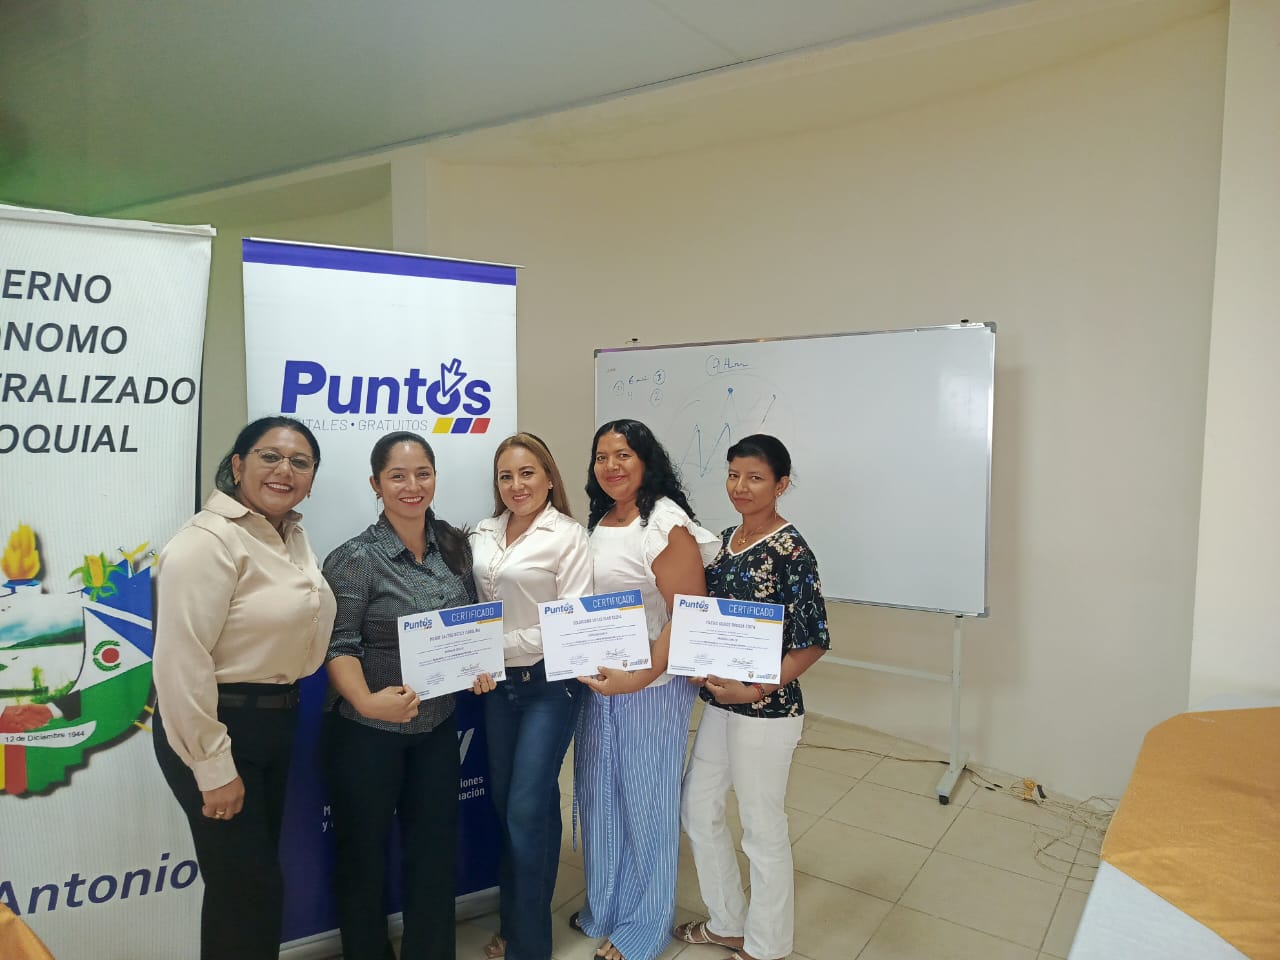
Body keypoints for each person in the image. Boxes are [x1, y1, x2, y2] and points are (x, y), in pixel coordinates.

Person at [153, 415, 336, 960]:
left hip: (273, 722)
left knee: (244, 889)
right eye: (269, 457)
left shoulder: (290, 536)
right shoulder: (206, 542)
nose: (285, 470)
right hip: (218, 726)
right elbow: (181, 662)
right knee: (248, 891)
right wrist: (212, 766)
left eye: (300, 462)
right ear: (237, 465)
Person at [321, 431, 494, 960]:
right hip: (367, 732)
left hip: (436, 727)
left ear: (435, 477)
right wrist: (367, 700)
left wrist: (477, 667)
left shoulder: (454, 547)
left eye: (422, 473)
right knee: (363, 857)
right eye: (397, 476)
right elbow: (338, 644)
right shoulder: (354, 559)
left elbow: (467, 626)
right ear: (376, 484)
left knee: (434, 853)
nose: (411, 486)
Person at [674, 435, 830, 960]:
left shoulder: (791, 551)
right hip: (721, 703)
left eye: (755, 478)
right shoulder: (725, 541)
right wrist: (696, 660)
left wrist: (755, 687)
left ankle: (767, 946)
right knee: (699, 808)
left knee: (762, 829)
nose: (740, 486)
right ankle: (727, 922)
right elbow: (708, 618)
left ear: (781, 485)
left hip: (768, 711)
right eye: (733, 474)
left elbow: (813, 642)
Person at [570, 419, 720, 960]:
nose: (611, 466)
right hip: (601, 682)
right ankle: (606, 906)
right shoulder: (603, 519)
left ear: (646, 460)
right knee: (600, 795)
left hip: (651, 684)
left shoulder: (665, 522)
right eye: (601, 456)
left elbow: (687, 614)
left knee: (646, 800)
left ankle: (645, 923)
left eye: (623, 455)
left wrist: (638, 678)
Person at [469, 433, 593, 960]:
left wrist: (491, 646)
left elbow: (570, 622)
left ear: (548, 477)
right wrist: (468, 652)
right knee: (516, 804)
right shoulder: (483, 532)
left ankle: (529, 946)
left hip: (550, 684)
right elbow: (472, 604)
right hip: (498, 688)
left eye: (526, 473)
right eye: (506, 476)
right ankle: (516, 922)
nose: (516, 485)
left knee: (524, 807)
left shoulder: (568, 536)